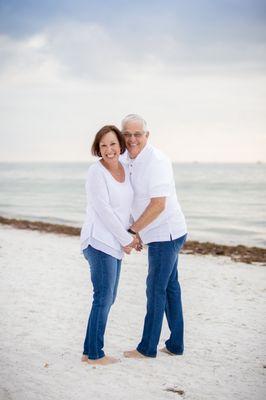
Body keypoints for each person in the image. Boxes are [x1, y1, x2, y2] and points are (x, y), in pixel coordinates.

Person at [120, 114, 187, 359]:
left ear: (147, 135)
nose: (132, 139)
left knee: (155, 289)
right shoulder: (125, 158)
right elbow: (131, 198)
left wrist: (134, 231)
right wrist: (136, 229)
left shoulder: (157, 160)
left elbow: (158, 204)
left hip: (167, 233)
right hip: (155, 232)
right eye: (127, 134)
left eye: (137, 134)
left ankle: (147, 349)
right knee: (170, 288)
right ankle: (176, 345)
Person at [80, 125, 139, 366]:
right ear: (98, 148)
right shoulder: (96, 172)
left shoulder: (125, 168)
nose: (109, 149)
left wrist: (135, 233)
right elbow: (103, 210)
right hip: (98, 241)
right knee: (103, 297)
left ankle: (88, 351)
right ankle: (95, 354)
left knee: (108, 297)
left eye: (113, 144)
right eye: (103, 145)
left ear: (120, 145)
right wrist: (127, 240)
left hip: (114, 242)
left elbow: (125, 208)